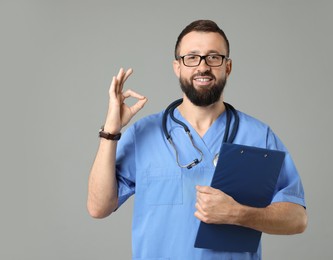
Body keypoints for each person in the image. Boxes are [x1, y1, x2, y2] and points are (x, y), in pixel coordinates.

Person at [87, 19, 307, 259]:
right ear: (177, 67)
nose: (203, 67)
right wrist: (110, 131)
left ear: (228, 67)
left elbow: (297, 219)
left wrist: (238, 214)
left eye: (214, 57)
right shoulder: (144, 134)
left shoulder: (257, 136)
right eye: (191, 57)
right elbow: (99, 207)